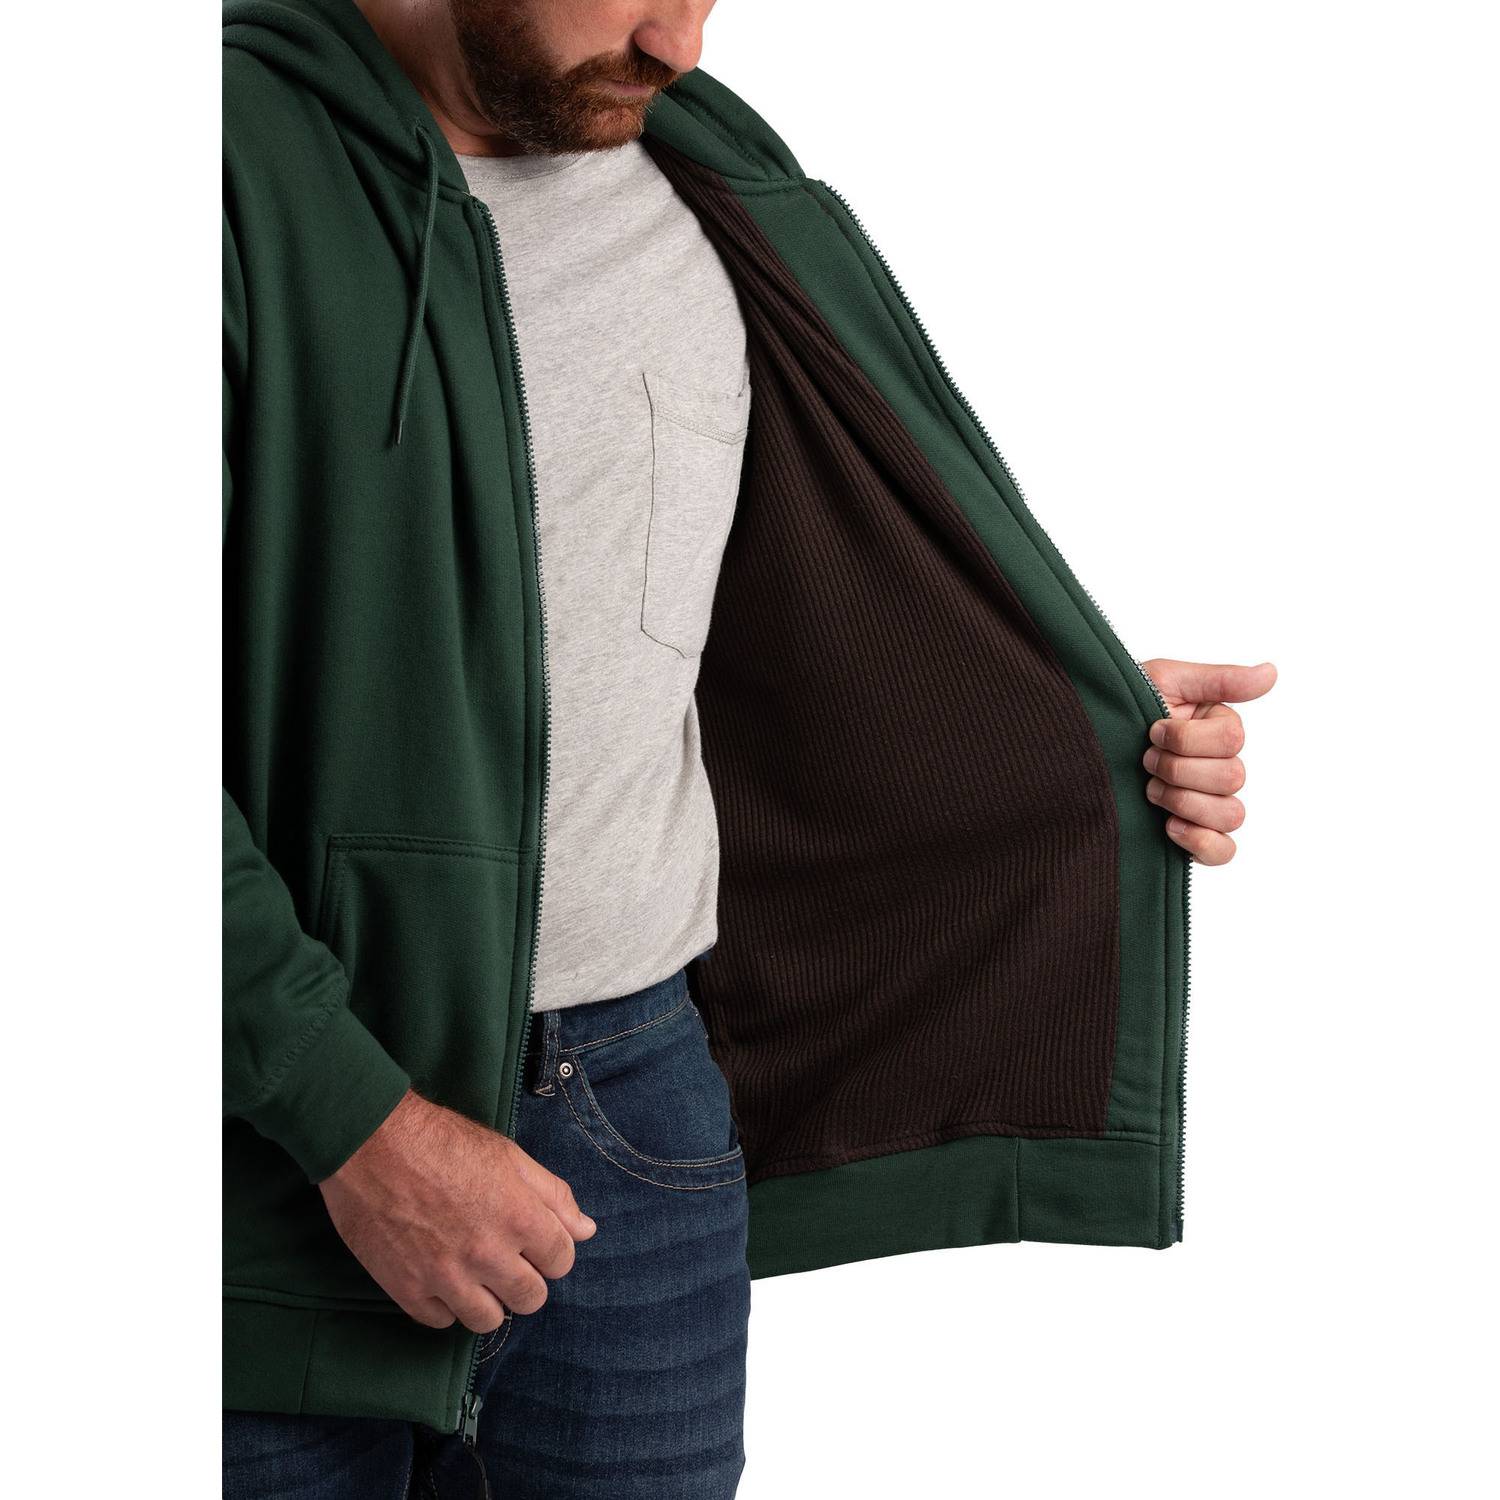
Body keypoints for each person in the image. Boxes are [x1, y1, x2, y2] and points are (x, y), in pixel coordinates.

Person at [221, 1, 1277, 1494]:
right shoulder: (197, 172)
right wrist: (354, 1124)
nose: (680, 44)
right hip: (265, 1132)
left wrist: (1062, 726)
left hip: (636, 1094)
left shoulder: (700, 178)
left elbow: (728, 631)